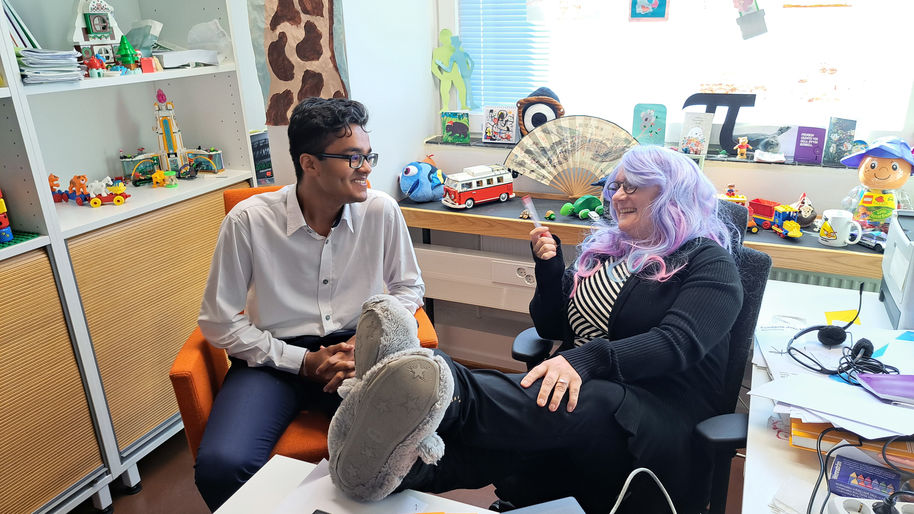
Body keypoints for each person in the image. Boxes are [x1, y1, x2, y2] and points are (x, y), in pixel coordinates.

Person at [327, 145, 744, 512]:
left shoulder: (708, 262)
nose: (617, 196)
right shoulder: (611, 253)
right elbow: (552, 325)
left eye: (631, 186)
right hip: (586, 389)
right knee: (532, 421)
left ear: (672, 192)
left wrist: (584, 361)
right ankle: (390, 473)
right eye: (615, 187)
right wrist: (549, 269)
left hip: (658, 407)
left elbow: (678, 343)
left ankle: (438, 385)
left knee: (579, 397)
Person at [194, 97, 424, 510]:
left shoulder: (381, 211)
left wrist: (366, 345)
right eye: (352, 157)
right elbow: (218, 320)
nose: (367, 168)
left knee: (403, 451)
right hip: (272, 360)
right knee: (221, 466)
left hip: (356, 354)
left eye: (368, 155)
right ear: (310, 163)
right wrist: (301, 362)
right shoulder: (249, 221)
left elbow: (408, 288)